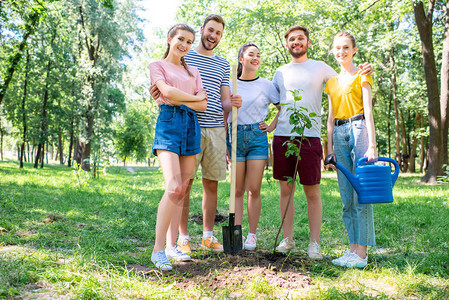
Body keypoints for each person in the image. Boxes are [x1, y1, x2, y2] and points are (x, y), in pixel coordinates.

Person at [271, 25, 372, 259]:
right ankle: (288, 239)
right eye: (292, 39)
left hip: (310, 138)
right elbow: (276, 100)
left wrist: (364, 69)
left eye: (301, 39)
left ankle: (314, 243)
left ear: (308, 43)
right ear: (287, 44)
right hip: (284, 138)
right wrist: (272, 123)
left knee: (312, 192)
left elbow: (348, 78)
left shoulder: (321, 68)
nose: (297, 42)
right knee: (286, 190)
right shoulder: (280, 71)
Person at [150, 14, 242, 253]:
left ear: (222, 36)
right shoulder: (184, 56)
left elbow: (220, 102)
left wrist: (233, 103)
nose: (213, 36)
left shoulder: (222, 64)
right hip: (188, 126)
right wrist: (168, 97)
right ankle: (181, 238)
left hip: (215, 128)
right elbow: (166, 92)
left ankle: (208, 235)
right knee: (183, 185)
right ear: (202, 29)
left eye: (218, 33)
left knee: (212, 183)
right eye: (210, 30)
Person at [149, 24, 208, 271]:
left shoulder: (193, 70)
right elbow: (168, 93)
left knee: (182, 191)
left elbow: (204, 105)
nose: (184, 45)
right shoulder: (157, 66)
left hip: (191, 126)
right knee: (172, 187)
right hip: (169, 122)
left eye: (189, 41)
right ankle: (158, 250)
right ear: (170, 38)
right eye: (180, 39)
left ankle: (172, 246)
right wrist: (191, 97)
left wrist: (179, 96)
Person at [325, 32, 377, 268]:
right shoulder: (331, 82)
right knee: (347, 197)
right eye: (337, 48)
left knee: (361, 195)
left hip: (359, 130)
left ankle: (362, 254)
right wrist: (329, 148)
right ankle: (352, 250)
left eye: (346, 47)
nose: (341, 52)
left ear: (354, 50)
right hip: (338, 134)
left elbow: (368, 111)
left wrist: (373, 145)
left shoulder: (362, 76)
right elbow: (330, 118)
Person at [225, 43, 280, 250]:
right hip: (235, 135)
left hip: (257, 137)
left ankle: (252, 235)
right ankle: (236, 232)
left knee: (253, 189)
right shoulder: (231, 84)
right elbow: (224, 113)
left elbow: (281, 108)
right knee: (237, 189)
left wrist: (270, 127)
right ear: (241, 59)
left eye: (258, 55)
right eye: (251, 54)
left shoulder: (266, 85)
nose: (256, 58)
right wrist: (224, 143)